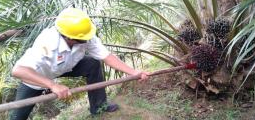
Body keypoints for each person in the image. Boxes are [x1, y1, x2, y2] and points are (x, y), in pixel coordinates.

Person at [10, 8, 150, 119]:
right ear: (69, 37)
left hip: (64, 66)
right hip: (36, 78)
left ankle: (98, 106)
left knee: (92, 63)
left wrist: (133, 72)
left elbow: (107, 56)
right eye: (83, 38)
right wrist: (52, 85)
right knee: (18, 116)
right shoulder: (47, 42)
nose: (88, 39)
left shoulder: (84, 34)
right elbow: (18, 70)